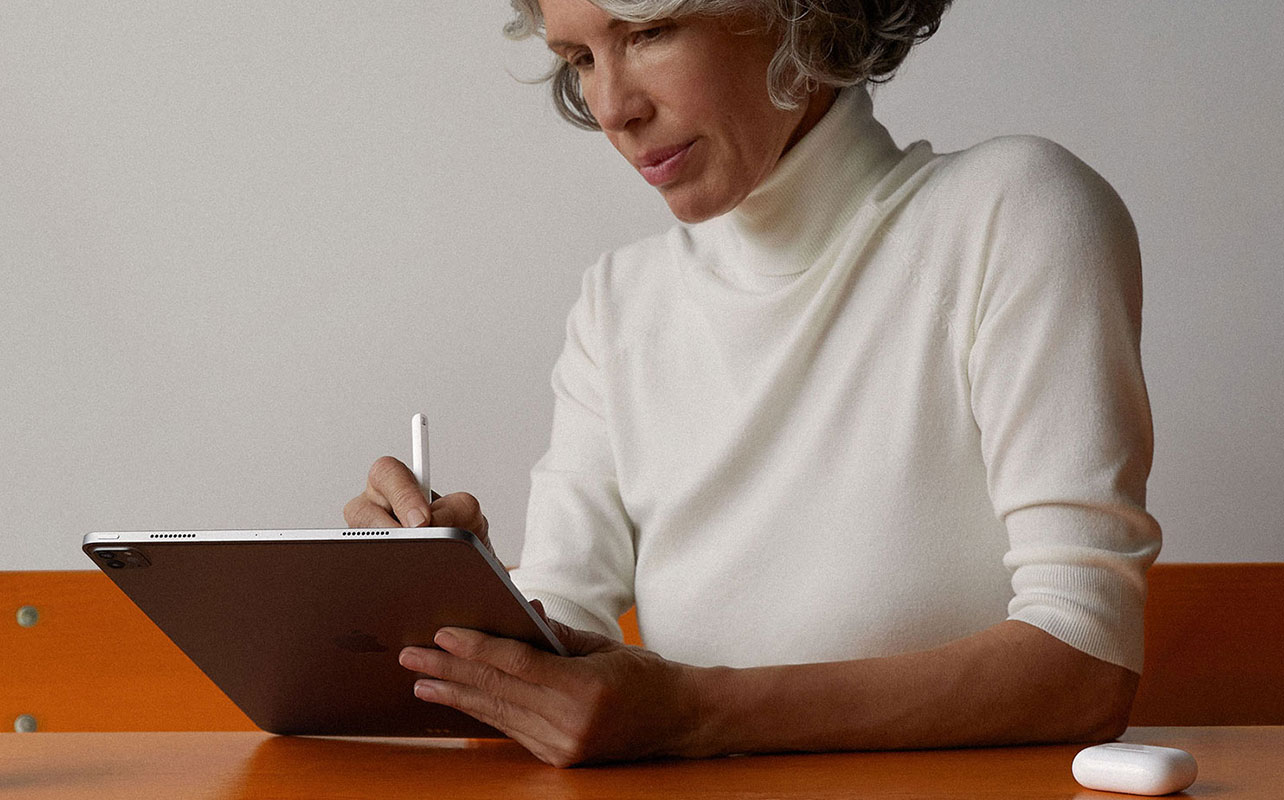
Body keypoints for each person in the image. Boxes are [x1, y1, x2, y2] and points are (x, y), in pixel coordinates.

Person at [343, 0, 1161, 768]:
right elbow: (564, 630)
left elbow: (1084, 663)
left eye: (648, 31)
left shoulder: (1013, 213)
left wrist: (695, 711)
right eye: (580, 57)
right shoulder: (619, 304)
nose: (611, 106)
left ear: (798, 16)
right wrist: (445, 589)